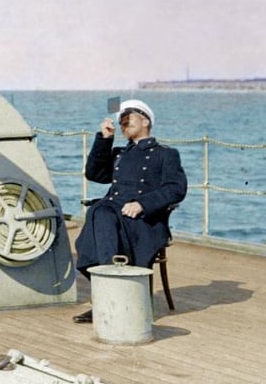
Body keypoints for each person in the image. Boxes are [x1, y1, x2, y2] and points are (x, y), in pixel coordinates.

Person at [72, 99, 187, 323]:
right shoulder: (119, 155)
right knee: (100, 212)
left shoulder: (165, 154)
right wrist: (104, 140)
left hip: (143, 221)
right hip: (112, 217)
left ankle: (108, 302)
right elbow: (94, 174)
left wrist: (143, 204)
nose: (123, 124)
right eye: (121, 123)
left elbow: (176, 188)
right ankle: (110, 298)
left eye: (128, 119)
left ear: (145, 120)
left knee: (100, 213)